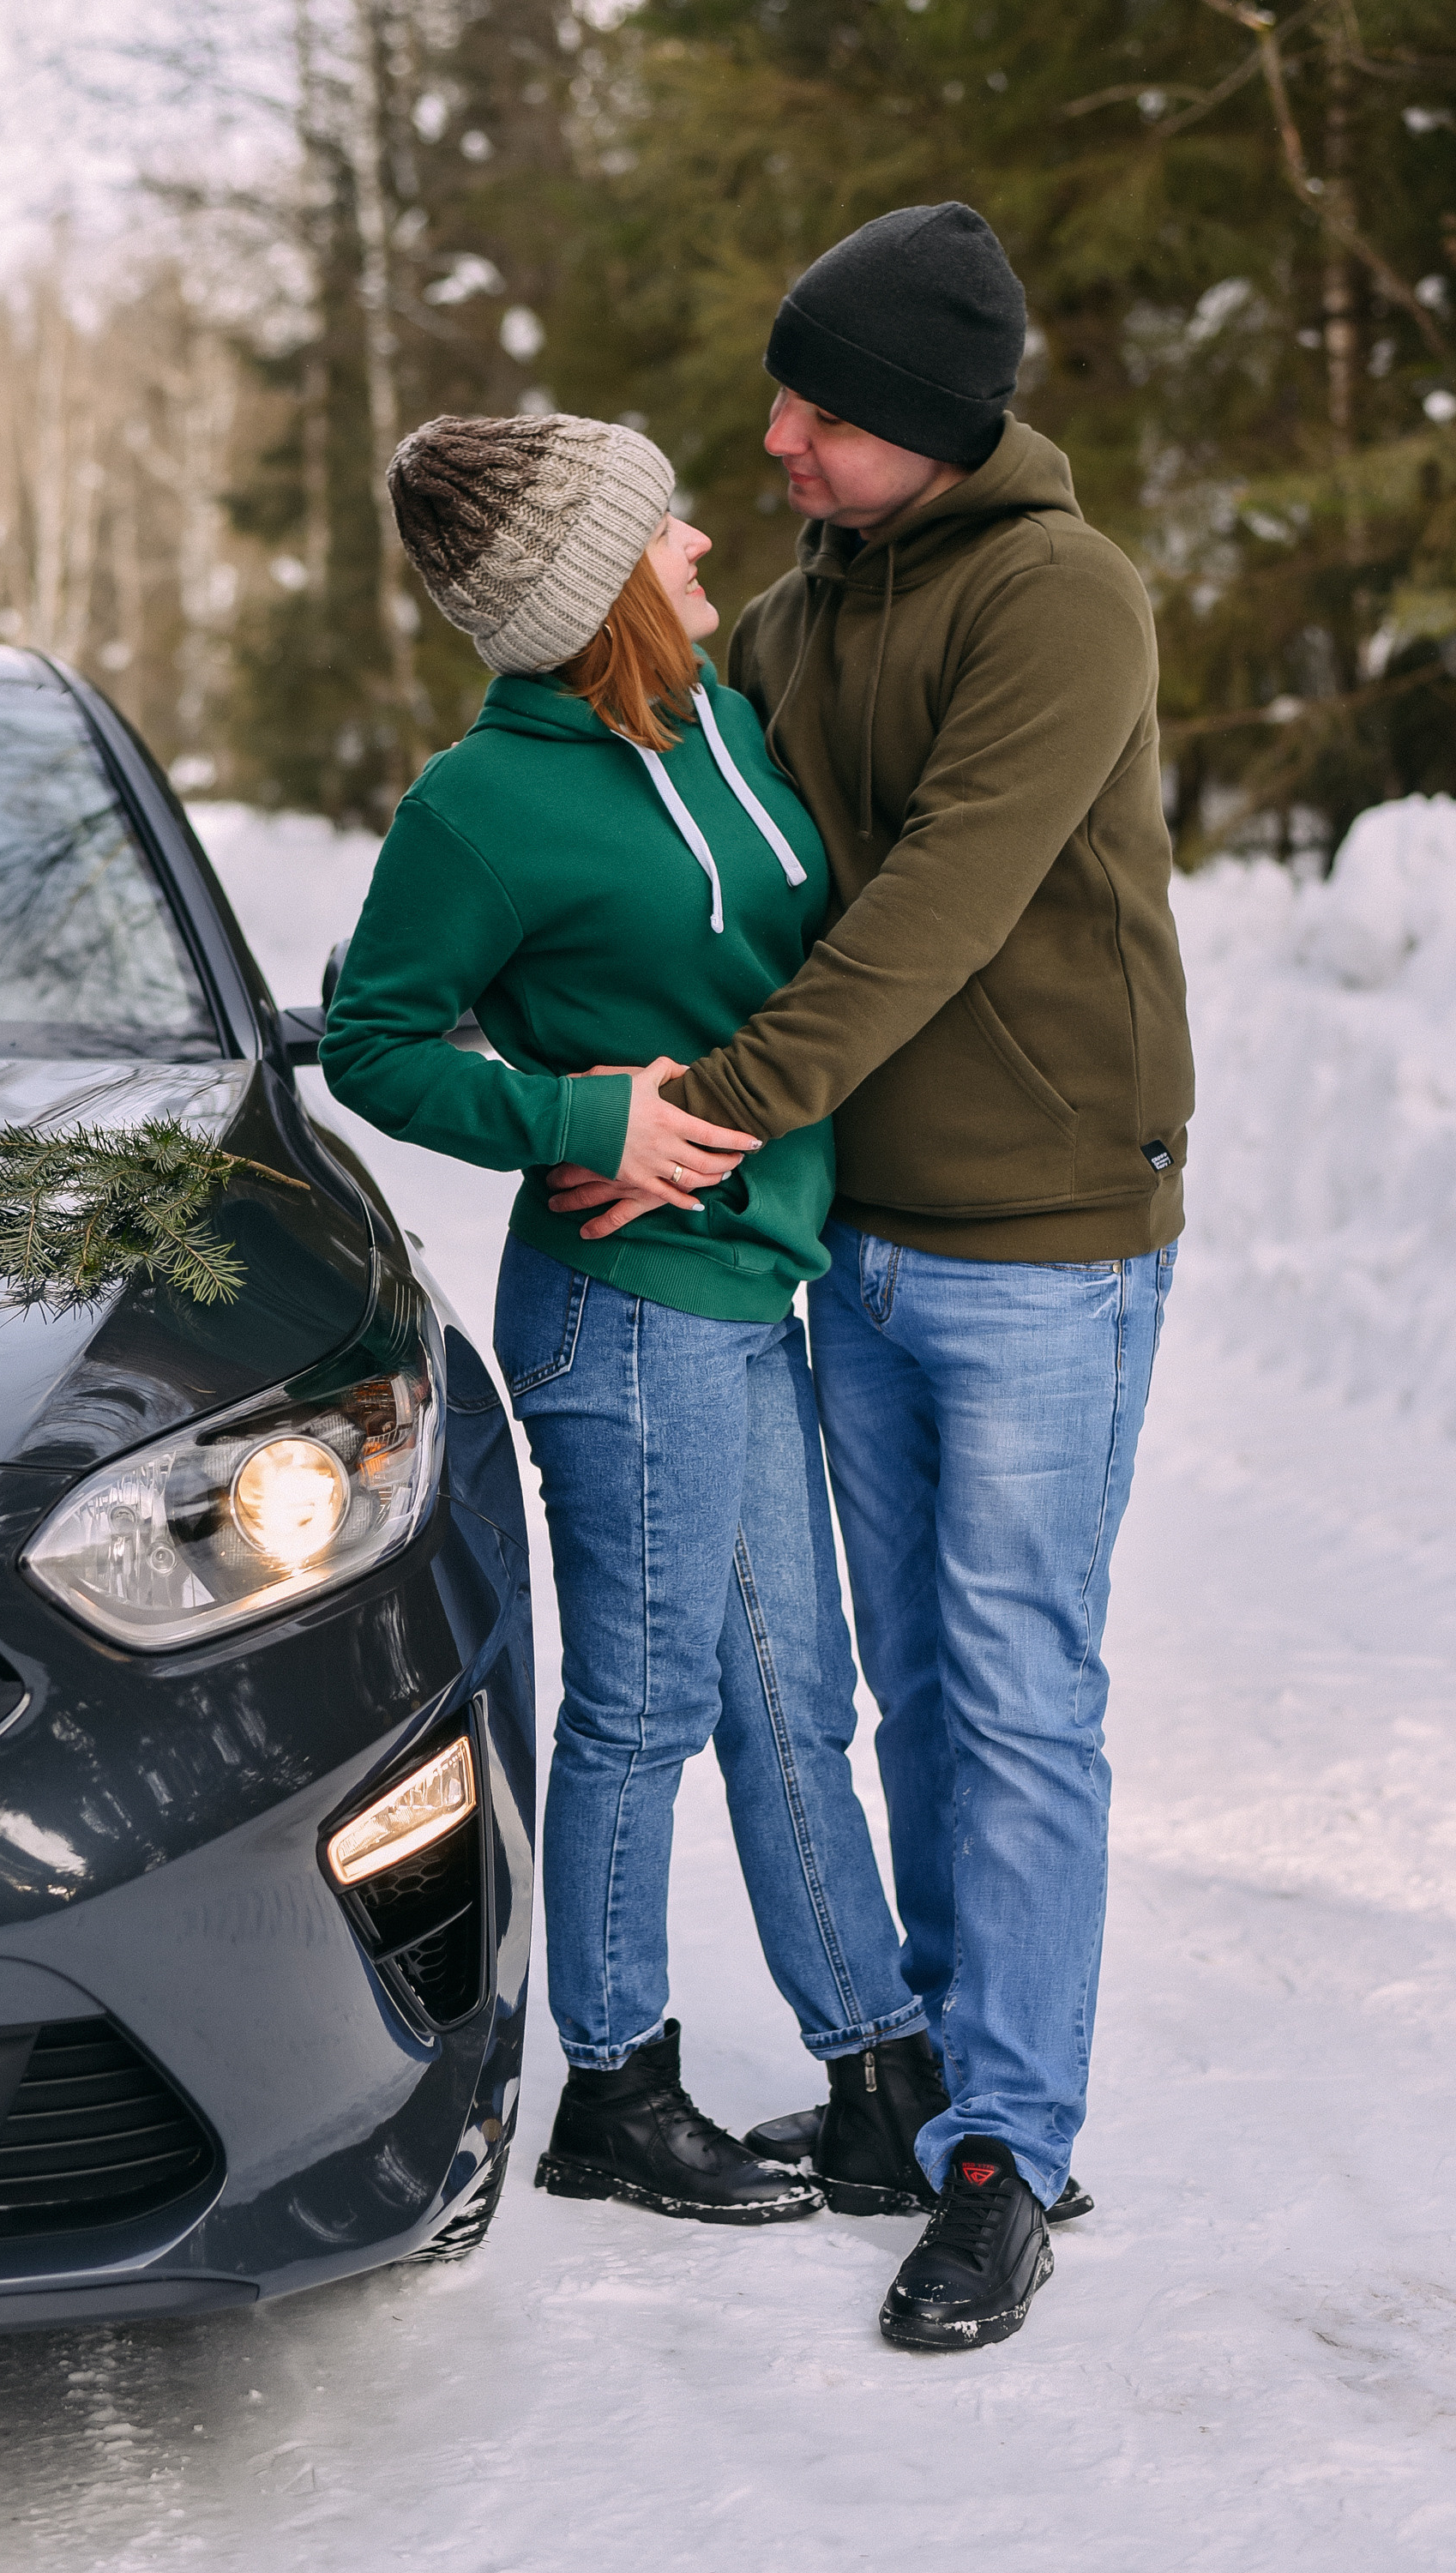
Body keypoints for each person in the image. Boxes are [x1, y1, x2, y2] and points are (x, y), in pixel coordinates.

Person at [546, 205, 1195, 2351]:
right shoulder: (808, 613)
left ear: (919, 423)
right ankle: (926, 2082)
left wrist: (701, 1115)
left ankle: (1006, 2151)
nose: (777, 442)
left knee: (1012, 1689)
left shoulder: (1058, 599)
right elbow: (678, 835)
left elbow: (928, 909)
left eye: (818, 412)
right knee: (909, 1679)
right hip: (856, 1237)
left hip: (1040, 1246)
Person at [322, 411, 948, 2229]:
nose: (697, 544)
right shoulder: (477, 808)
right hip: (619, 1313)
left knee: (789, 1699)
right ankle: (612, 2084)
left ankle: (873, 2072)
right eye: (658, 527)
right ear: (596, 589)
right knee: (648, 1710)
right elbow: (374, 1041)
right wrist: (579, 1117)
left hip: (752, 1287)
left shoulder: (719, 724)